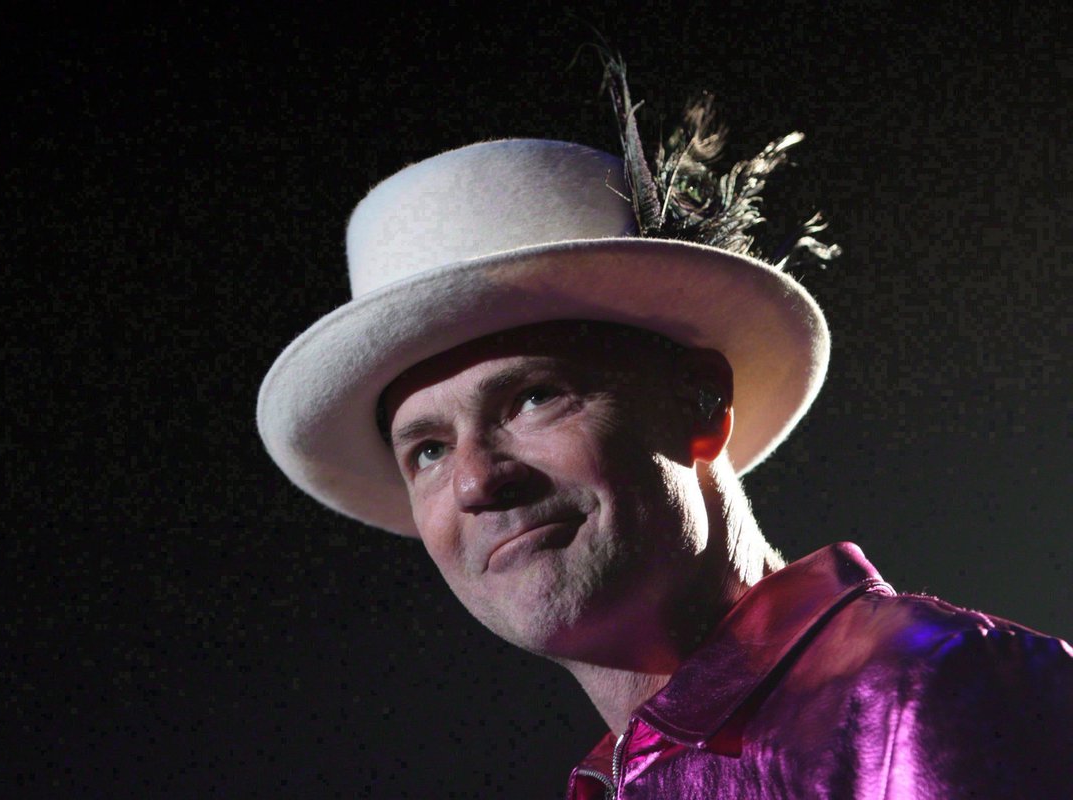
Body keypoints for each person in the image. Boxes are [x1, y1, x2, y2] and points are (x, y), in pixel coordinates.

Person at [256, 62, 1073, 798]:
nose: (475, 480)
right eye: (428, 450)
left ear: (701, 403)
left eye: (535, 397)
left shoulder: (927, 693)